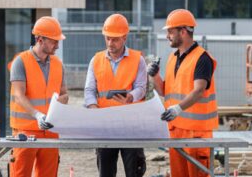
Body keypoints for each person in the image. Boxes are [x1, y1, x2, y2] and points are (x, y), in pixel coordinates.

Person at [150, 9, 217, 177]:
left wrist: (177, 109)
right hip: (176, 130)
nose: (167, 36)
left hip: (196, 134)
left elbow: (199, 90)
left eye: (170, 32)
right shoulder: (173, 58)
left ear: (183, 31)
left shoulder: (202, 58)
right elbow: (166, 91)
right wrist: (155, 76)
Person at [85, 14, 147, 177]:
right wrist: (93, 108)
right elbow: (89, 90)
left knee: (134, 172)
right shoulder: (96, 60)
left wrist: (131, 97)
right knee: (106, 173)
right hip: (105, 127)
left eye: (115, 39)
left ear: (124, 38)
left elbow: (141, 87)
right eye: (108, 38)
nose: (110, 43)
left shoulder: (138, 60)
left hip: (132, 126)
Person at [8, 16, 68, 177]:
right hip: (25, 132)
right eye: (54, 41)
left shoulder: (58, 64)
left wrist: (61, 102)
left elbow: (64, 93)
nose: (57, 45)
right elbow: (19, 95)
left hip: (50, 131)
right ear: (40, 40)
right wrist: (37, 115)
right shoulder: (20, 62)